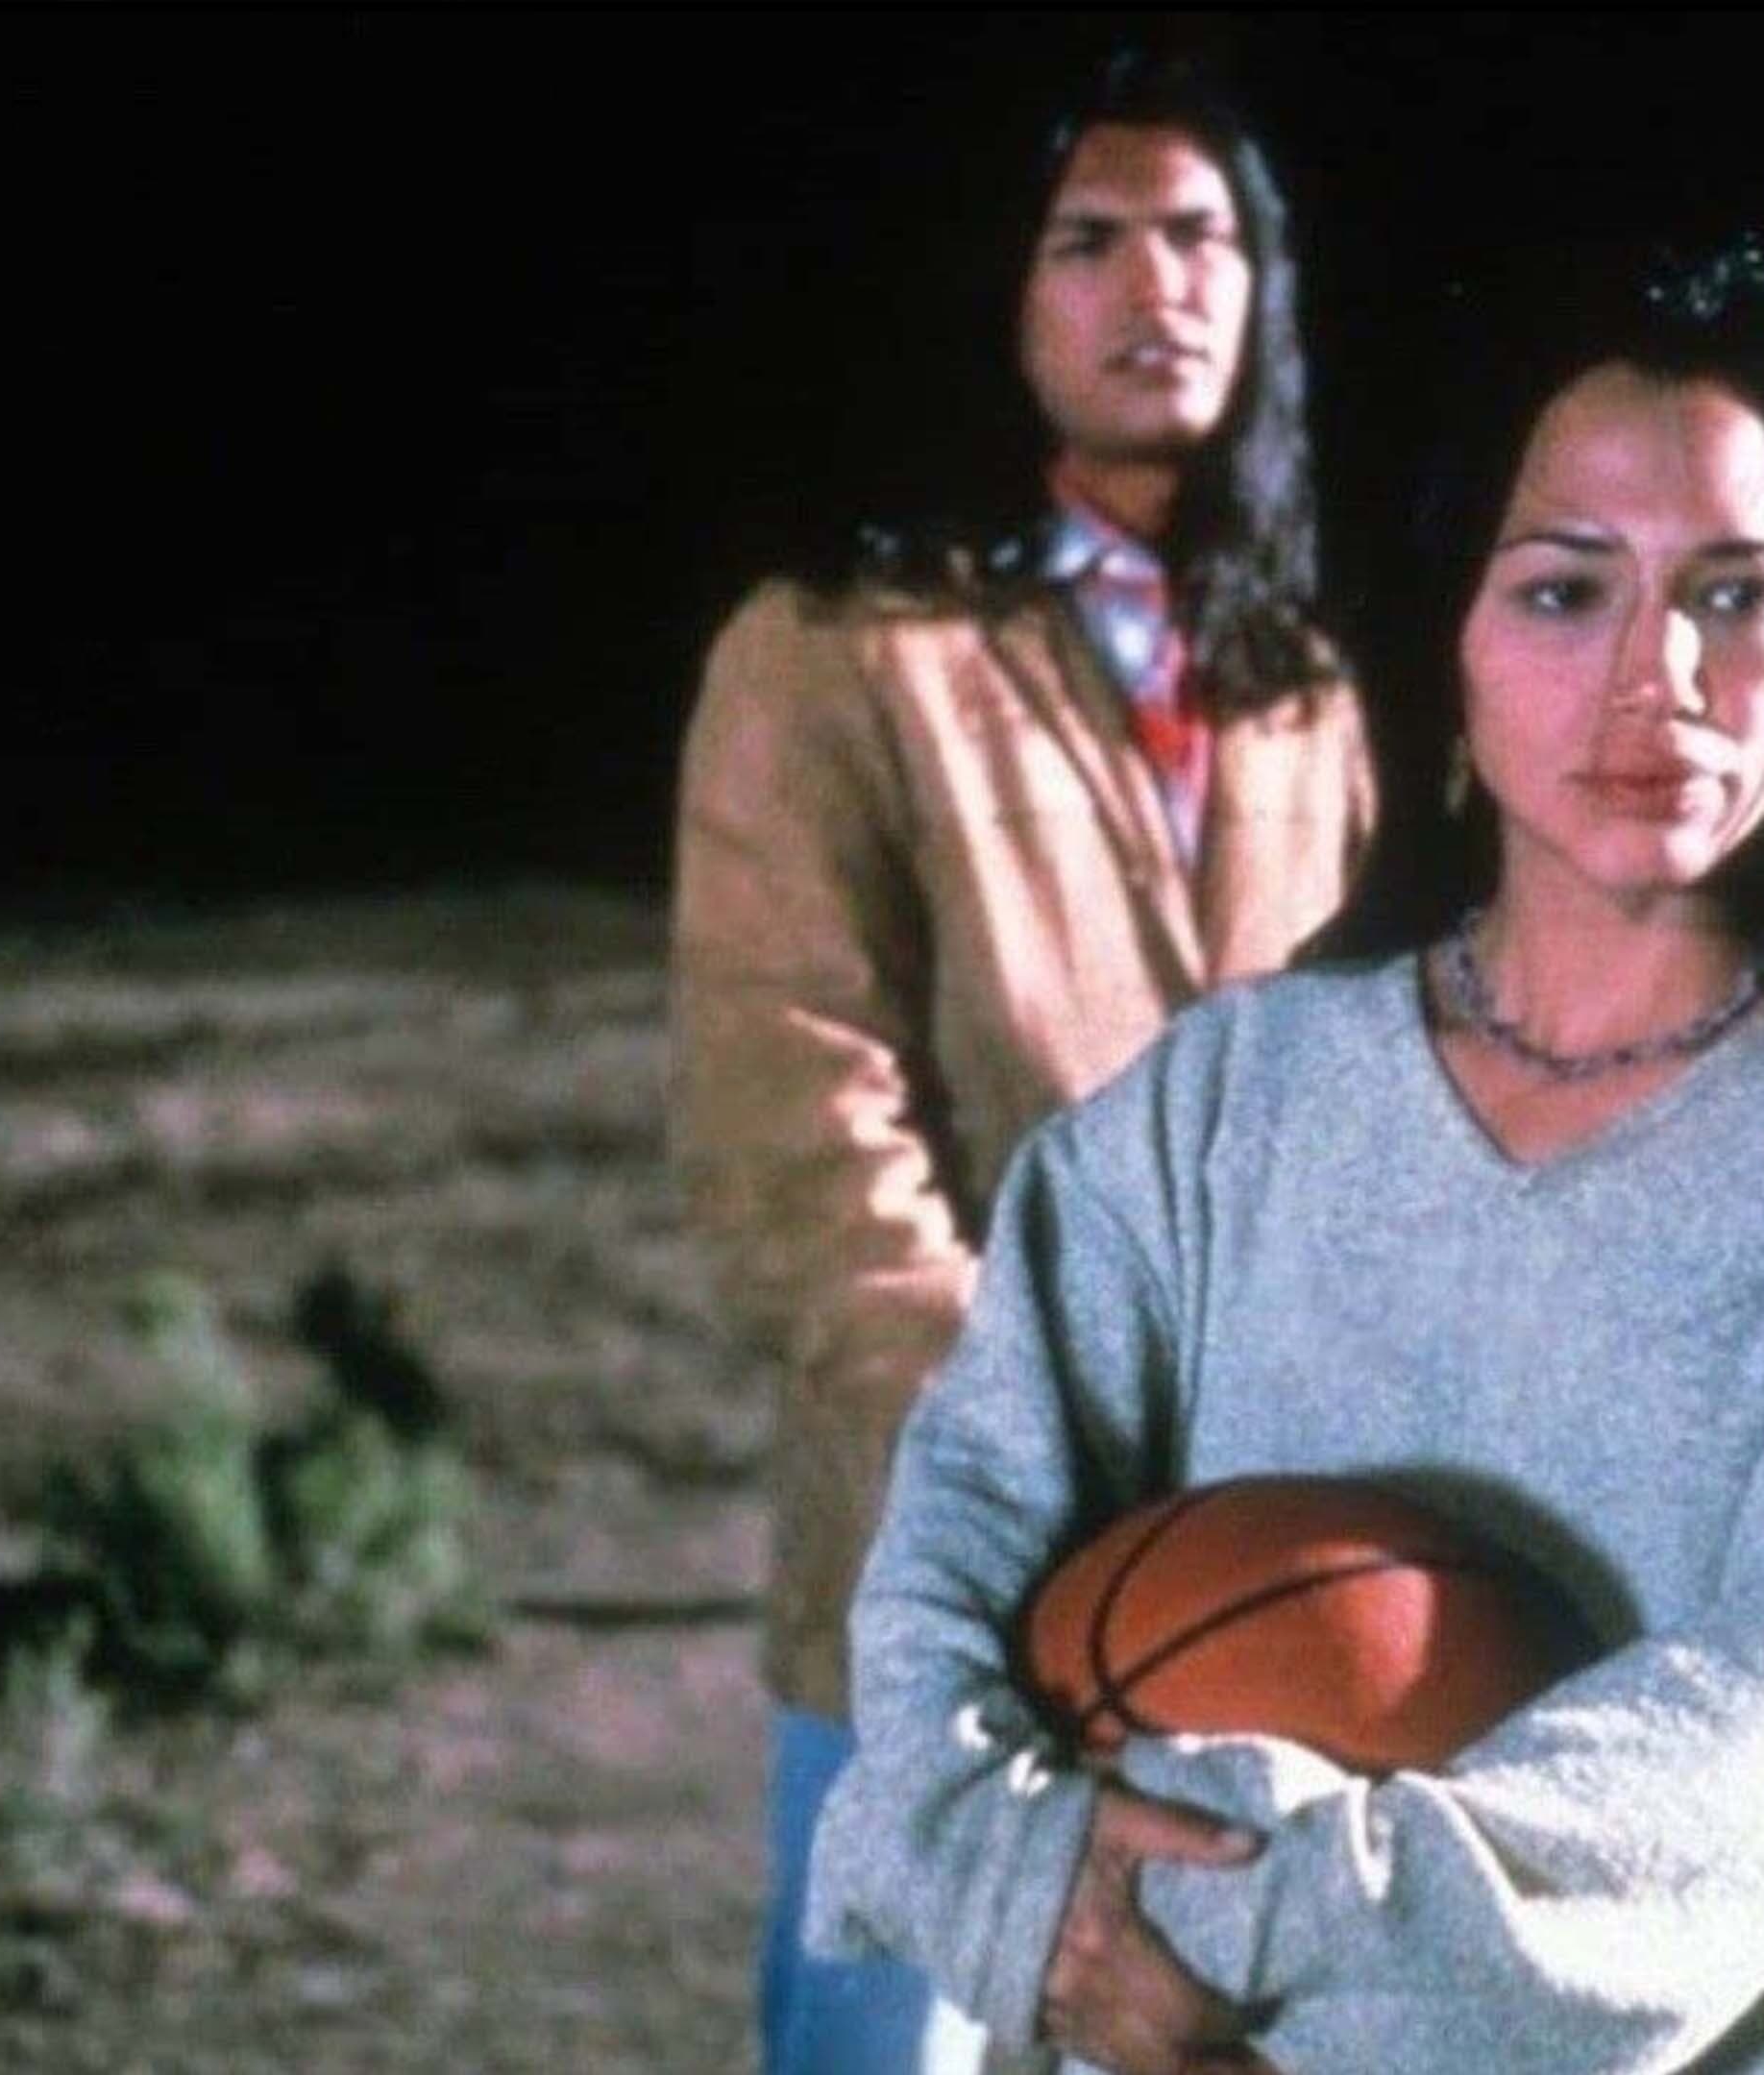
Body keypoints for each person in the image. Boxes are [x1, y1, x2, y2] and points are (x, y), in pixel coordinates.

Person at [804, 232, 1764, 2075]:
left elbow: (1749, 1765)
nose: (1656, 675)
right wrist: (1016, 1880)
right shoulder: (1224, 1109)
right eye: (1565, 590)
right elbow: (949, 1558)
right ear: (1449, 636)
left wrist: (1196, 1933)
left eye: (1736, 594)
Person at [668, 47, 1375, 2075]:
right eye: (1091, 241)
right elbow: (795, 1120)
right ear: (994, 289)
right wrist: (1013, 1454)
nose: (1161, 286)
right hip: (936, 1570)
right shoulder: (838, 653)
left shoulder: (1296, 687)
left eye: (1204, 238)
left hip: (1248, 1586)